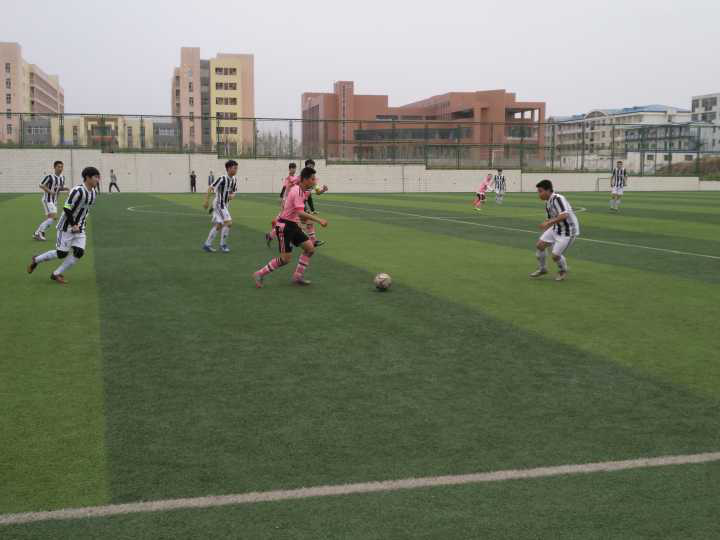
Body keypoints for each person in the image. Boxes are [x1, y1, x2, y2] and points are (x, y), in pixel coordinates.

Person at [253, 166, 328, 288]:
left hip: (293, 225)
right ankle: (259, 274)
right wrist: (319, 220)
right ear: (305, 179)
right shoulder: (297, 191)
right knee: (285, 259)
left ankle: (297, 276)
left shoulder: (303, 191)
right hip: (284, 227)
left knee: (310, 249)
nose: (314, 182)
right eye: (312, 179)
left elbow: (299, 214)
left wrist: (305, 219)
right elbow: (300, 213)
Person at [27, 166, 100, 284]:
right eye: (96, 177)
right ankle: (36, 259)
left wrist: (80, 224)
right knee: (61, 254)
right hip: (66, 226)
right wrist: (74, 224)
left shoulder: (93, 193)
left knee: (79, 252)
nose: (98, 179)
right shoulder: (78, 191)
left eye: (98, 177)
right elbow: (67, 207)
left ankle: (56, 274)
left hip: (80, 228)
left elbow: (84, 211)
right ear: (87, 177)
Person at [530, 179, 580, 282]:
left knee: (555, 256)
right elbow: (551, 218)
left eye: (540, 191)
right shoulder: (548, 202)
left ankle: (563, 270)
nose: (539, 194)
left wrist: (548, 223)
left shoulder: (558, 198)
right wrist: (546, 224)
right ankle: (543, 269)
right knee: (540, 245)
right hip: (556, 228)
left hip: (568, 231)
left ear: (548, 190)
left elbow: (564, 215)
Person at [202, 160, 238, 253]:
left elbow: (234, 191)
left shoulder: (234, 179)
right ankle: (223, 245)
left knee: (219, 225)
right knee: (228, 223)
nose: (236, 170)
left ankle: (207, 244)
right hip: (219, 204)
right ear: (229, 168)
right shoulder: (222, 178)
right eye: (234, 168)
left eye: (236, 168)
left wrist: (232, 195)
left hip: (225, 205)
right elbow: (211, 188)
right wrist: (206, 201)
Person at [33, 160, 68, 241]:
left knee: (50, 218)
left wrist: (66, 189)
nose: (60, 168)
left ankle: (39, 232)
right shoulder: (50, 177)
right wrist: (50, 191)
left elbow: (59, 188)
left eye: (61, 167)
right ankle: (38, 233)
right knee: (53, 217)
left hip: (54, 201)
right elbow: (41, 185)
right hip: (47, 200)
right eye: (58, 167)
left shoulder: (62, 178)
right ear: (54, 167)